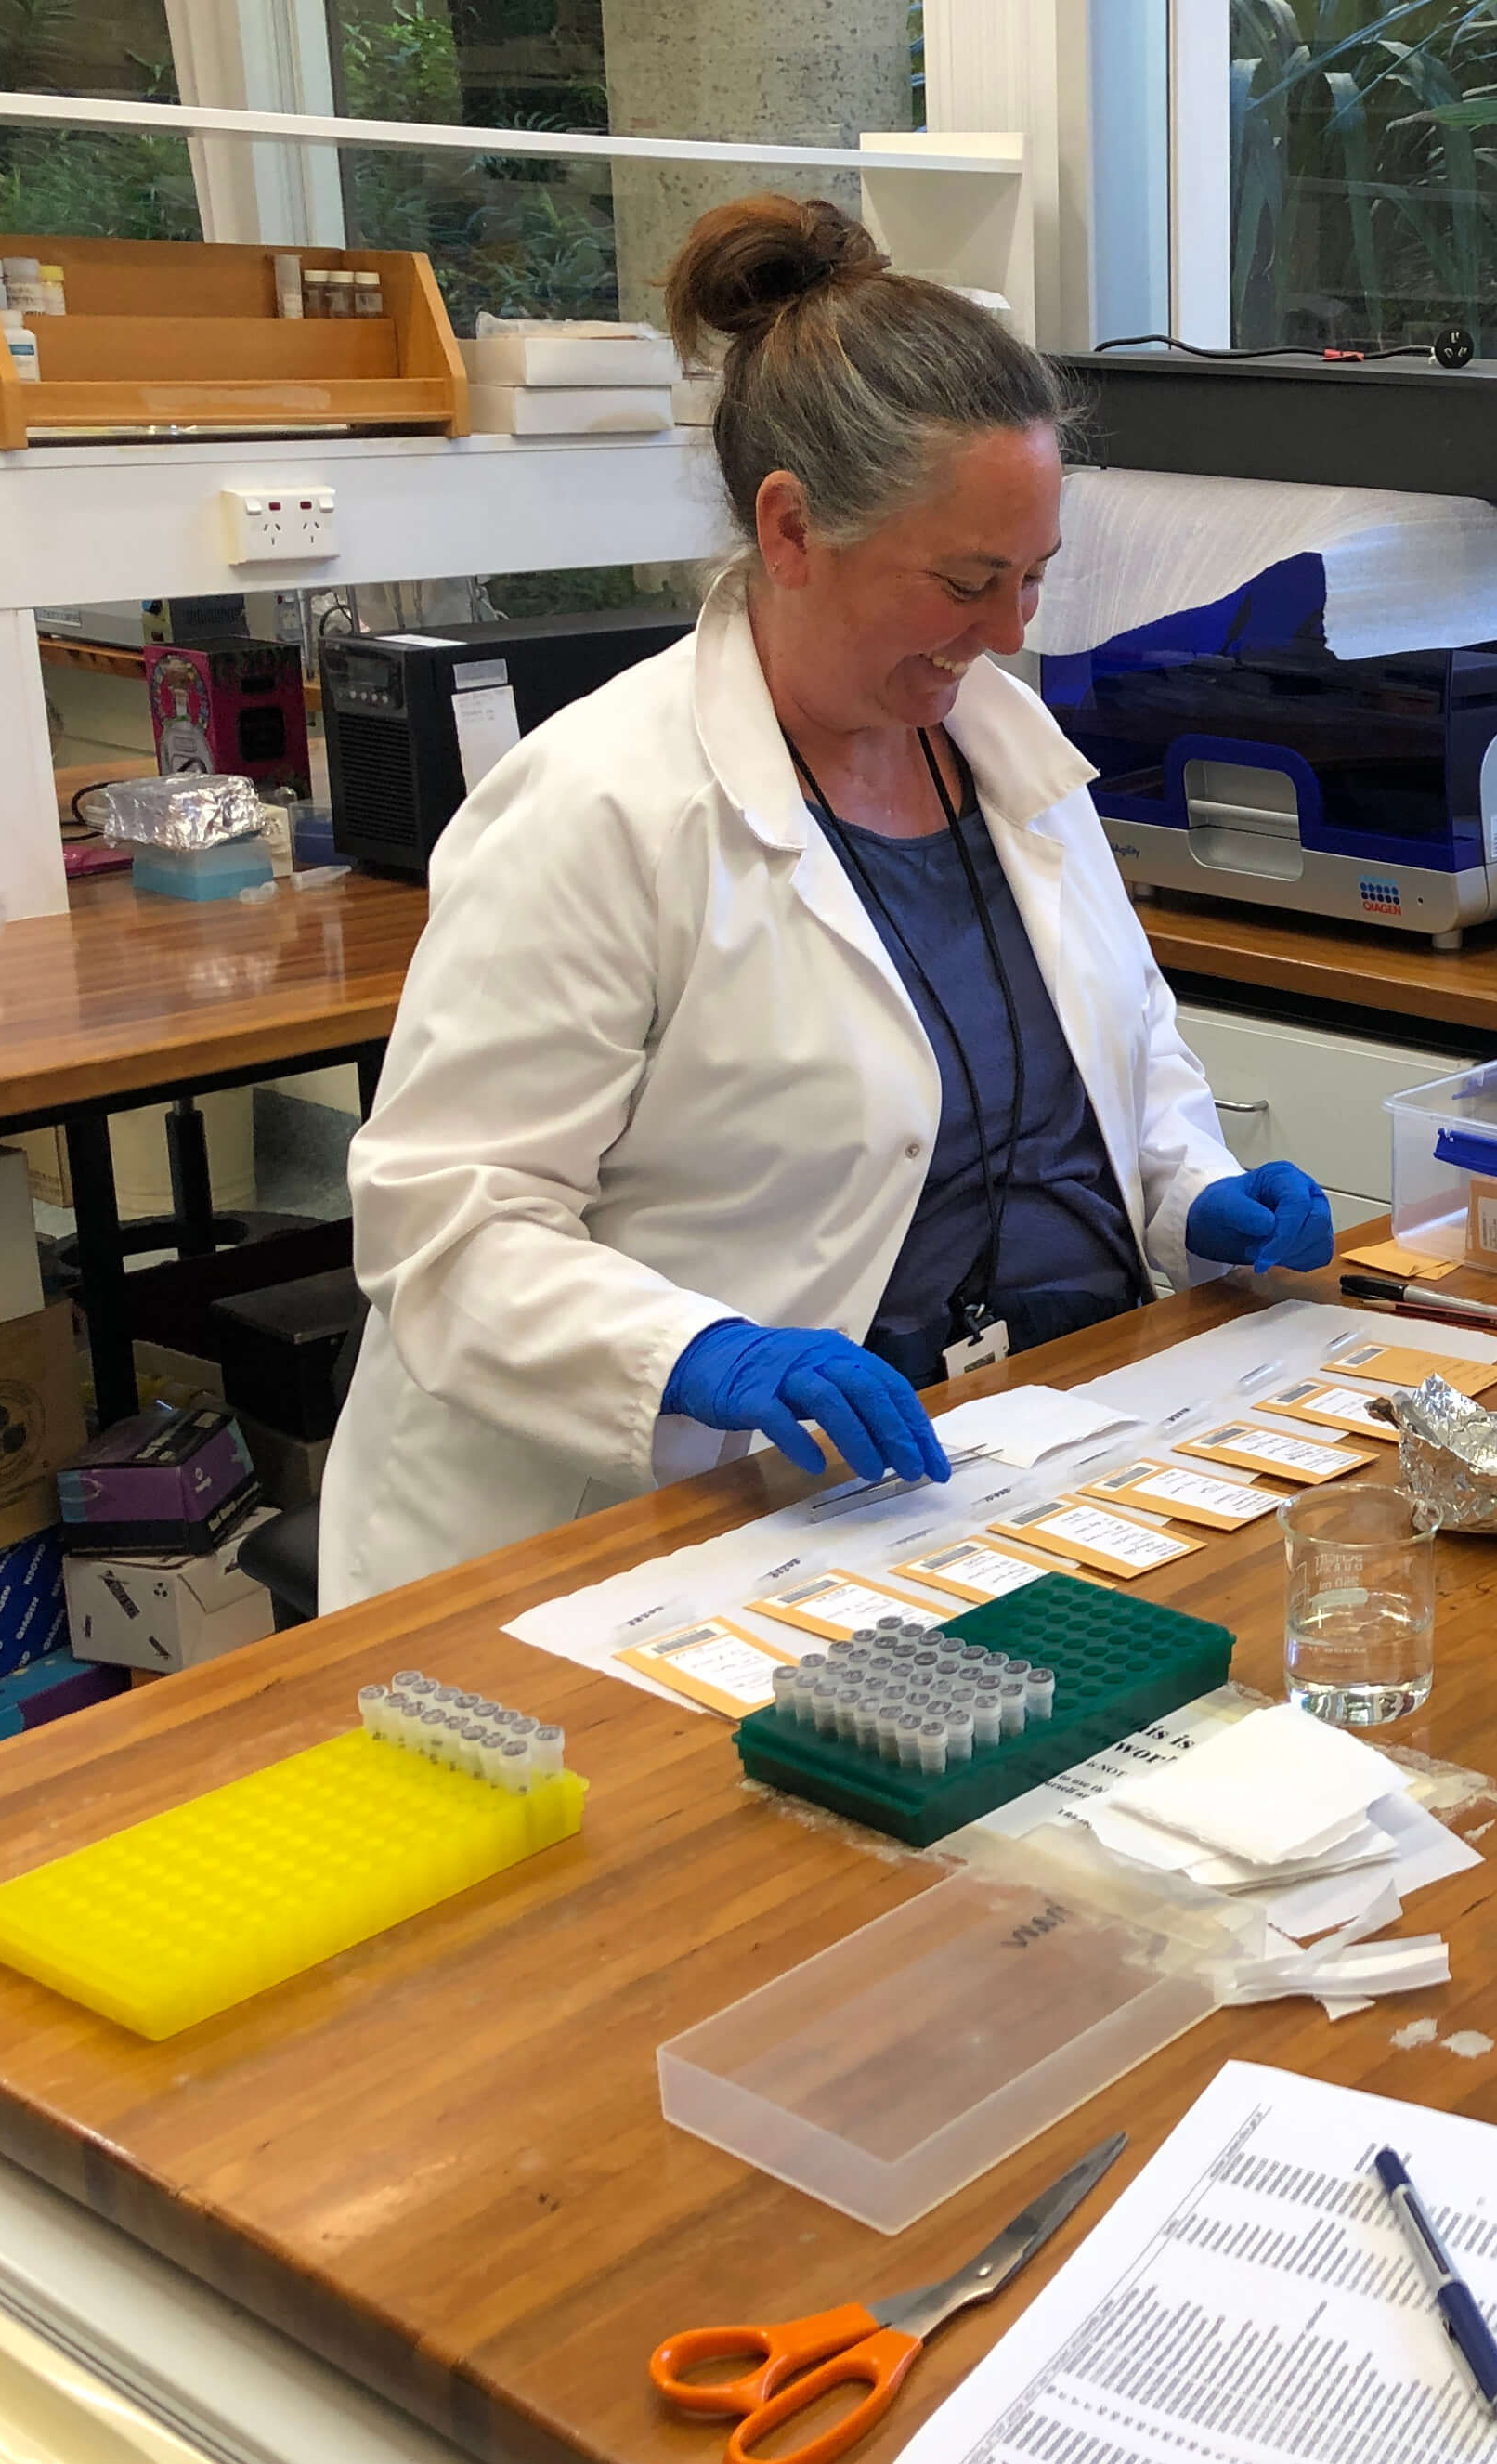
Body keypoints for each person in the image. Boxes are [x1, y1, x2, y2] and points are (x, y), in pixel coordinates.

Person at [319, 195, 1335, 1609]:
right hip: (644, 1544)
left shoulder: (1000, 750)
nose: (1010, 635)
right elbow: (445, 1227)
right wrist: (700, 1355)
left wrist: (1197, 1190)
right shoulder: (605, 809)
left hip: (998, 1471)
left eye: (1034, 578)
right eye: (971, 581)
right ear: (791, 527)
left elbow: (1123, 1053)